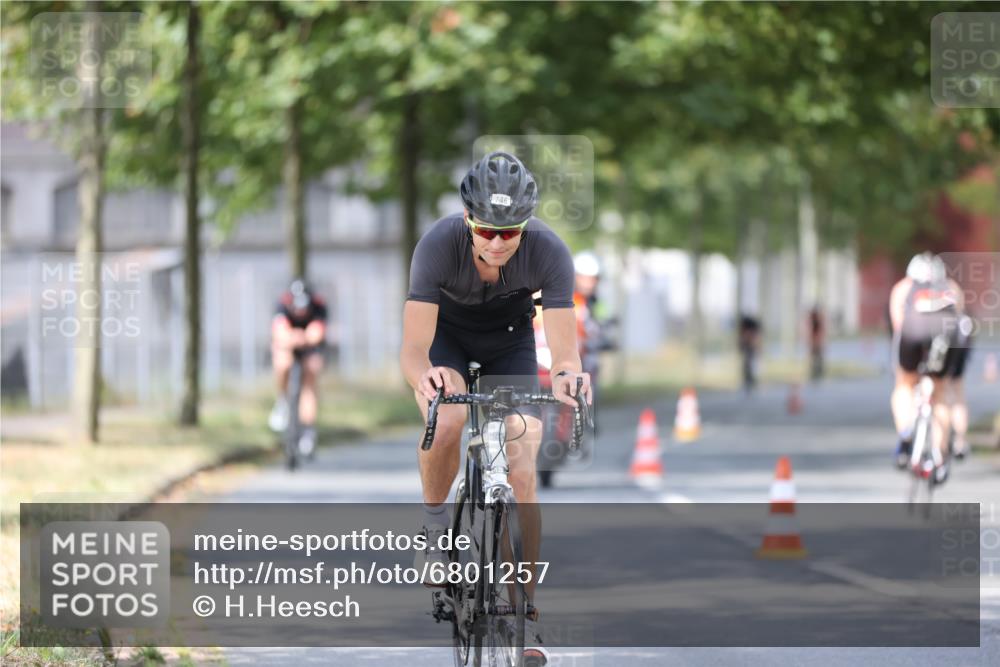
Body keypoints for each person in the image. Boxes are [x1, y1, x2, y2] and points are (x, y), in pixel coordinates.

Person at [401, 150, 591, 666]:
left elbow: (564, 351)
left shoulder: (549, 252)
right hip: (447, 344)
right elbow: (414, 348)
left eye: (512, 232)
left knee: (523, 456)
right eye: (487, 230)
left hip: (510, 342)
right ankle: (436, 525)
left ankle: (526, 611)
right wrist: (427, 377)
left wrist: (570, 377)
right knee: (451, 418)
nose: (498, 242)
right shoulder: (438, 246)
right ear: (468, 220)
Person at [888, 252, 962, 479]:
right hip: (945, 333)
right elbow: (960, 320)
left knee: (904, 384)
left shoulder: (903, 287)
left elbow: (897, 324)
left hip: (913, 330)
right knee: (940, 393)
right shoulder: (951, 286)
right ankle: (939, 456)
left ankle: (906, 433)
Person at [268, 278, 328, 457]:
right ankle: (282, 401)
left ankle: (308, 430)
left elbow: (317, 334)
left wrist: (304, 337)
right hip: (289, 343)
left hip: (309, 347)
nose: (300, 312)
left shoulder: (318, 306)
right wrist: (294, 338)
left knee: (311, 371)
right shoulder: (282, 304)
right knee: (282, 362)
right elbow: (279, 333)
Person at [737, 314, 762, 392]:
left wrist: (756, 346)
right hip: (748, 345)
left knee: (752, 362)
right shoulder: (744, 325)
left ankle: (752, 380)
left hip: (752, 345)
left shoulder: (754, 327)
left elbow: (757, 337)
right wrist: (742, 344)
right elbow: (742, 336)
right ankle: (747, 381)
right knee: (747, 363)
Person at [808, 306, 826, 381]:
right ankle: (816, 371)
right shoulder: (815, 321)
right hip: (815, 342)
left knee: (817, 358)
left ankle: (818, 371)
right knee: (816, 358)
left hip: (816, 342)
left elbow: (819, 332)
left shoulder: (817, 321)